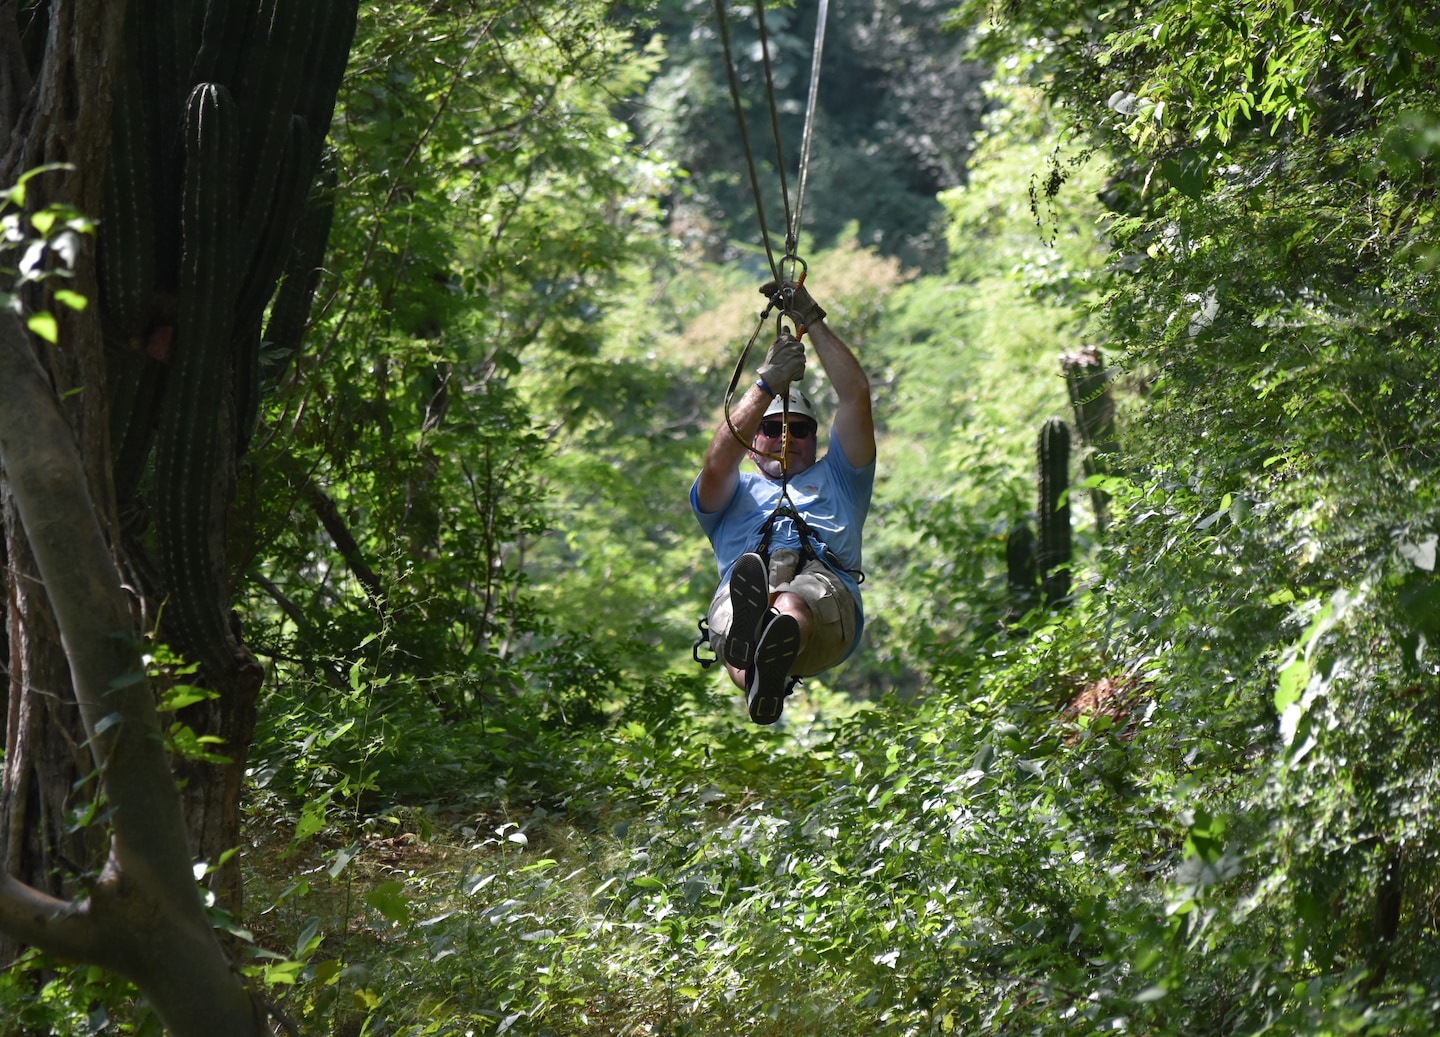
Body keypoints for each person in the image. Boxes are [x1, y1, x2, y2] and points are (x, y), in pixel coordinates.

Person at [691, 278, 876, 724]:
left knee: (787, 605)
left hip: (827, 604)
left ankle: (762, 653)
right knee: (742, 626)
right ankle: (759, 682)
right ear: (752, 442)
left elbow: (855, 396)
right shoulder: (733, 490)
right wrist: (766, 384)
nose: (787, 436)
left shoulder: (841, 477)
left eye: (801, 428)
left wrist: (810, 319)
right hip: (744, 606)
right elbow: (716, 465)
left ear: (816, 438)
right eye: (773, 429)